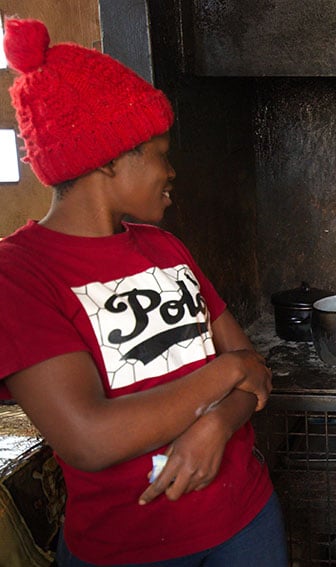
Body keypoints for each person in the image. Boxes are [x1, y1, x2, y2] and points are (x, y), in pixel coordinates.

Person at [0, 18, 287, 566]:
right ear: (108, 158)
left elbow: (257, 374)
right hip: (129, 545)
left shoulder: (164, 247)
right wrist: (226, 374)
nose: (172, 170)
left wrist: (216, 427)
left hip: (246, 516)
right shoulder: (19, 274)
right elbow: (91, 438)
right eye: (159, 152)